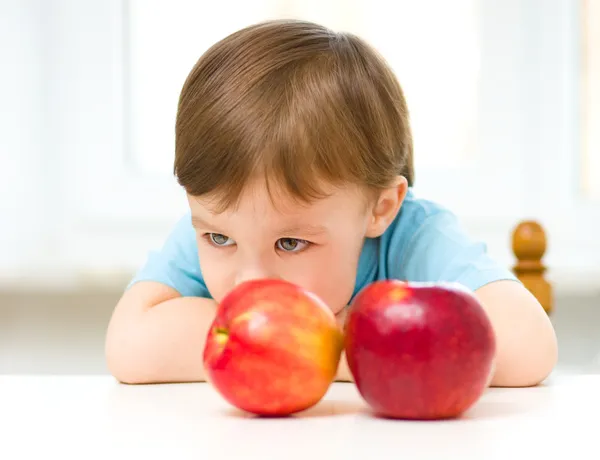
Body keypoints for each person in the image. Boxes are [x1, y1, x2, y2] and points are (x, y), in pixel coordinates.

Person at [105, 19, 557, 387]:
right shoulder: (222, 223)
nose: (250, 284)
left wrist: (329, 348)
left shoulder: (415, 235)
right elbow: (128, 345)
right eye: (219, 238)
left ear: (381, 208)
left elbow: (529, 345)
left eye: (291, 244)